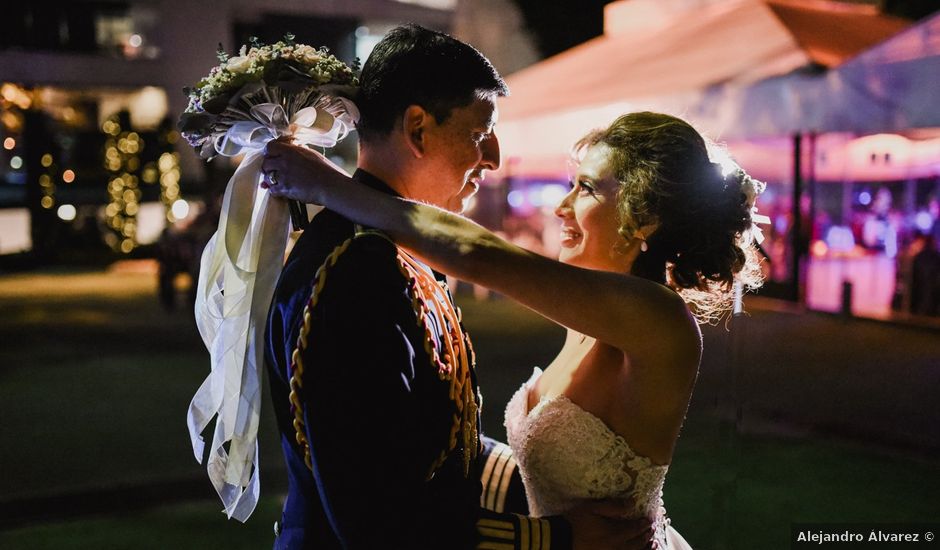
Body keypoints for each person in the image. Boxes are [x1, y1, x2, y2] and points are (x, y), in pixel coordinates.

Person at [263, 111, 766, 549]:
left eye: (587, 188)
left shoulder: (658, 320)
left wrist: (331, 187)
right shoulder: (589, 320)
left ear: (647, 219)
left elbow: (475, 253)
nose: (561, 207)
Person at [263, 25, 655, 549]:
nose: (492, 157)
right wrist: (550, 539)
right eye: (479, 132)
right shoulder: (356, 272)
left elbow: (430, 441)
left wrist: (538, 484)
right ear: (419, 128)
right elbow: (376, 519)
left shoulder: (395, 250)